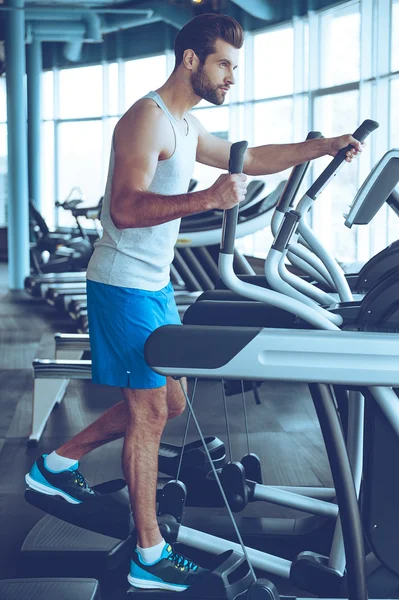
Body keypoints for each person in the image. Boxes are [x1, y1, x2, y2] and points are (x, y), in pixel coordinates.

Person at [25, 13, 363, 592]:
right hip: (124, 285)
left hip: (153, 287)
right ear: (190, 60)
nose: (232, 77)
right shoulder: (145, 120)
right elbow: (125, 211)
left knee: (170, 405)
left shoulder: (185, 125)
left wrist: (321, 146)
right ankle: (148, 557)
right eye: (225, 64)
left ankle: (56, 465)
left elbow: (248, 157)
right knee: (152, 412)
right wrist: (207, 198)